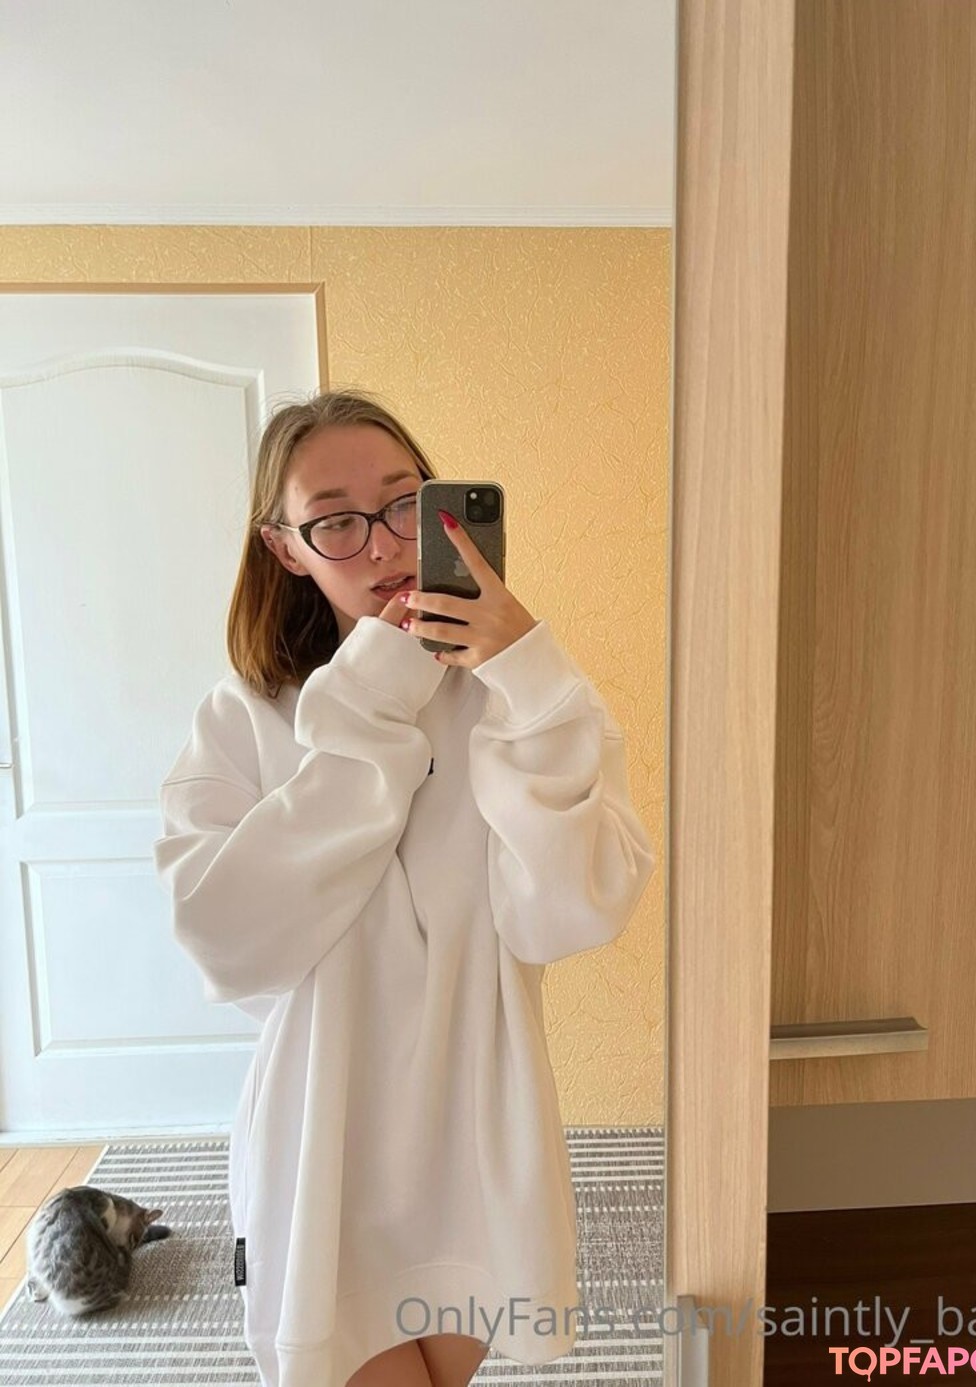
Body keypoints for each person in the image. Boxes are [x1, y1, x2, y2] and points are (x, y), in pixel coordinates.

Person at [152, 388, 656, 1387]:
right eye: (335, 520)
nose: (383, 542)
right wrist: (375, 694)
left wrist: (531, 677)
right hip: (324, 1144)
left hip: (473, 1138)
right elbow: (225, 937)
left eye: (401, 501)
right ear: (284, 546)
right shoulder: (243, 716)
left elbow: (573, 908)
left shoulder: (516, 695)